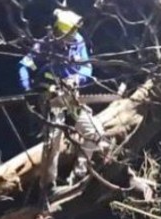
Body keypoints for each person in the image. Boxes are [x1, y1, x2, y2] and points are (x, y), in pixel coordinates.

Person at [18, 8, 106, 189]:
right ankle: (48, 188)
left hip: (72, 96)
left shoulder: (78, 42)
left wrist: (77, 78)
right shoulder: (44, 45)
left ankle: (78, 175)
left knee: (95, 134)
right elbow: (23, 66)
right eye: (71, 31)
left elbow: (86, 67)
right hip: (52, 99)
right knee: (52, 143)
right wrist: (28, 89)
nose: (74, 34)